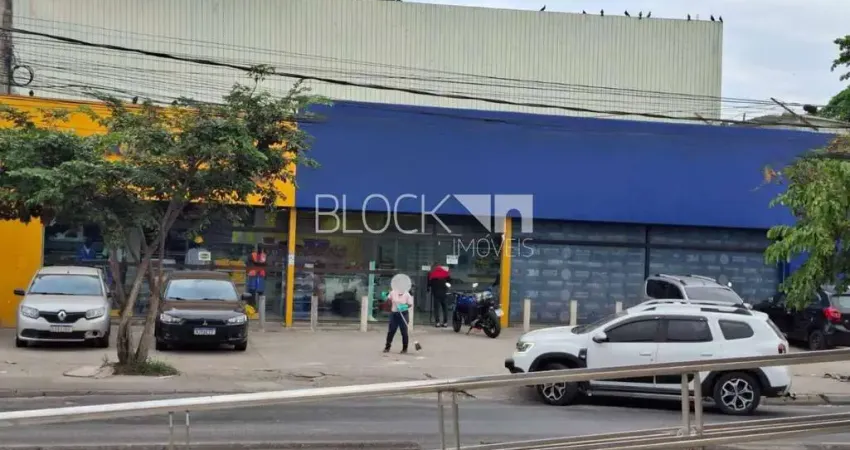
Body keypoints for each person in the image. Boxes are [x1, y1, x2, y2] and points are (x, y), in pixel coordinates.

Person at [384, 288, 414, 354]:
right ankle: (387, 347)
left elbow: (410, 304)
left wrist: (402, 307)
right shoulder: (393, 292)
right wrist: (389, 300)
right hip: (394, 314)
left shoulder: (407, 294)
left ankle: (404, 348)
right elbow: (388, 301)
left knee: (404, 332)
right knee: (391, 331)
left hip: (403, 314)